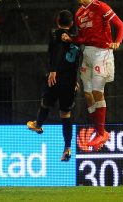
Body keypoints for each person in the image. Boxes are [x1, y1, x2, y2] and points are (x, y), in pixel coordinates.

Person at [62, 0, 123, 151]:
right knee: (88, 95)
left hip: (102, 53)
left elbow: (121, 26)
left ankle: (100, 133)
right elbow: (82, 38)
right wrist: (71, 38)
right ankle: (99, 131)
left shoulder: (101, 7)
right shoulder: (78, 14)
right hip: (87, 54)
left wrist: (117, 42)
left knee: (98, 92)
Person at [27, 10, 80, 162]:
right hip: (70, 81)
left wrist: (53, 70)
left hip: (56, 77)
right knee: (65, 114)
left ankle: (38, 124)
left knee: (45, 103)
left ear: (58, 21)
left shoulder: (55, 34)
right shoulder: (75, 39)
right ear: (71, 24)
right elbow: (77, 61)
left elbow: (55, 52)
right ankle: (67, 148)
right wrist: (75, 79)